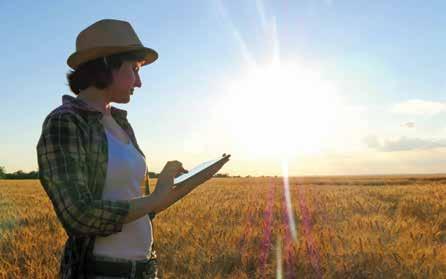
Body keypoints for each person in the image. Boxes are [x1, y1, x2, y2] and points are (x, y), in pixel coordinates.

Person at [36, 19, 230, 279]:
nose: (139, 82)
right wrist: (154, 198)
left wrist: (179, 185)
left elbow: (142, 209)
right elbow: (79, 216)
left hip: (145, 269)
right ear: (107, 64)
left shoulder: (120, 122)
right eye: (135, 69)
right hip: (100, 272)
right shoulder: (65, 122)